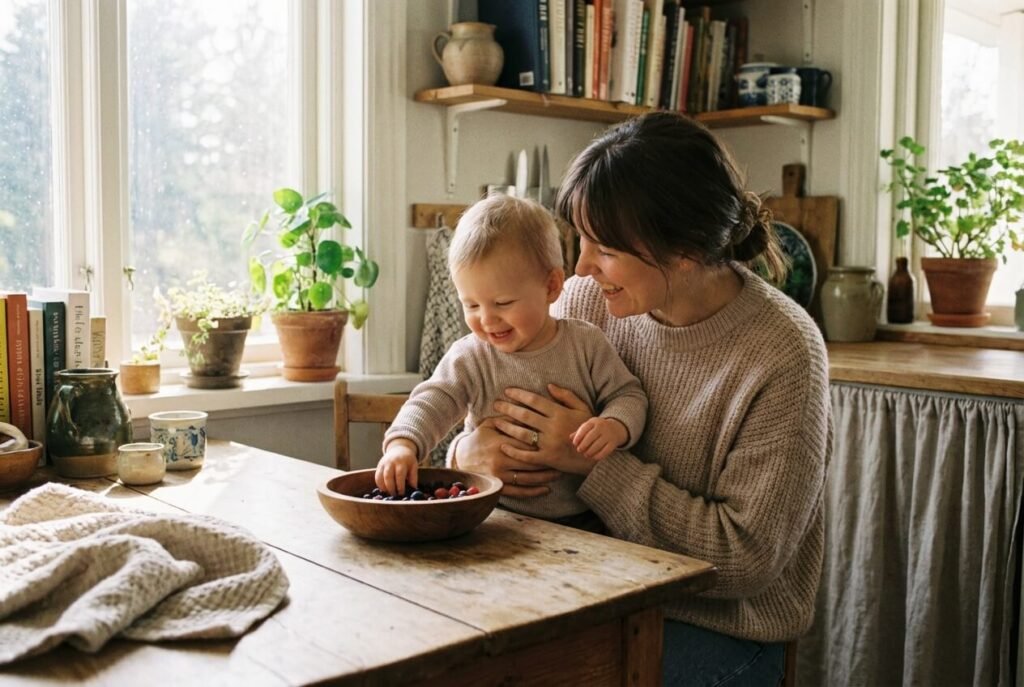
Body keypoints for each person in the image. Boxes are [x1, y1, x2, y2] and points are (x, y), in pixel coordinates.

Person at [449, 111, 831, 686]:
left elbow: (746, 560)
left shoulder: (783, 354)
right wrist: (467, 455)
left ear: (681, 250)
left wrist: (595, 463)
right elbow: (475, 398)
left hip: (717, 626)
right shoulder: (581, 303)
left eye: (603, 248)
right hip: (583, 591)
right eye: (581, 240)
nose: (579, 267)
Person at [376, 194, 648, 524]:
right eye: (471, 305)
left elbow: (628, 395)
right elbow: (432, 400)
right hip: (491, 516)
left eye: (503, 303)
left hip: (583, 520)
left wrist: (615, 426)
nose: (487, 321)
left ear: (551, 287)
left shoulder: (586, 343)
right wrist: (403, 445)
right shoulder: (471, 354)